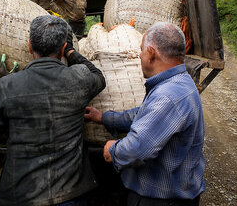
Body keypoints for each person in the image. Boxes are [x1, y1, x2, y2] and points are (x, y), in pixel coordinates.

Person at [0, 15, 106, 206]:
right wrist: (71, 51)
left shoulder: (8, 84)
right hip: (71, 195)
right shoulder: (79, 78)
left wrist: (3, 85)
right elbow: (98, 76)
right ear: (62, 47)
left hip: (21, 195)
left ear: (30, 46)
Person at [84, 22, 205, 206]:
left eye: (141, 50)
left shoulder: (169, 96)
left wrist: (113, 150)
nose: (139, 56)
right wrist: (103, 117)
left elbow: (137, 149)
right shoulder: (177, 82)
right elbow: (143, 115)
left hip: (162, 200)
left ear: (151, 52)